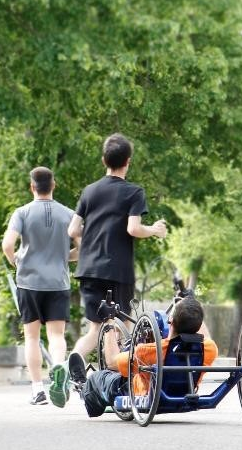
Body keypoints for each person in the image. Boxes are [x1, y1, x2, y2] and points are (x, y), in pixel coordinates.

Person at [66, 133, 167, 361]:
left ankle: (69, 364)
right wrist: (154, 230)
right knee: (120, 327)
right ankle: (119, 377)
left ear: (104, 160)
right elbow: (133, 228)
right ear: (128, 161)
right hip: (117, 271)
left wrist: (91, 239)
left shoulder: (89, 191)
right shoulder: (134, 192)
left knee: (96, 328)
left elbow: (72, 230)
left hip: (89, 268)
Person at [2, 166, 78, 406]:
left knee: (32, 338)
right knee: (56, 335)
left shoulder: (21, 213)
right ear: (53, 185)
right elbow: (85, 246)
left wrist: (18, 263)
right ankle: (57, 367)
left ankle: (38, 390)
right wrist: (64, 257)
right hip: (57, 282)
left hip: (29, 283)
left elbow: (7, 245)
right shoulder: (68, 214)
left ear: (31, 187)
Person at [67, 297, 217, 417]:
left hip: (141, 394)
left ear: (170, 321)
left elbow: (111, 362)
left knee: (98, 378)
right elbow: (205, 336)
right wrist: (192, 306)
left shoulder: (148, 351)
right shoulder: (209, 349)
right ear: (198, 323)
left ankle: (82, 386)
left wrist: (108, 321)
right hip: (184, 392)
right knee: (126, 367)